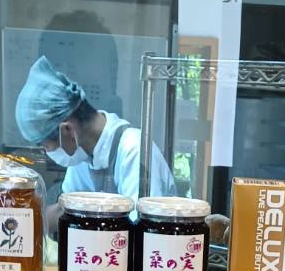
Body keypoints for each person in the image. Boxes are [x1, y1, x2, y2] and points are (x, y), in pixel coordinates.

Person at [14, 55, 175, 214]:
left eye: (45, 146)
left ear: (67, 130)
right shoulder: (82, 155)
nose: (46, 152)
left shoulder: (134, 151)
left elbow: (139, 224)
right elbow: (64, 212)